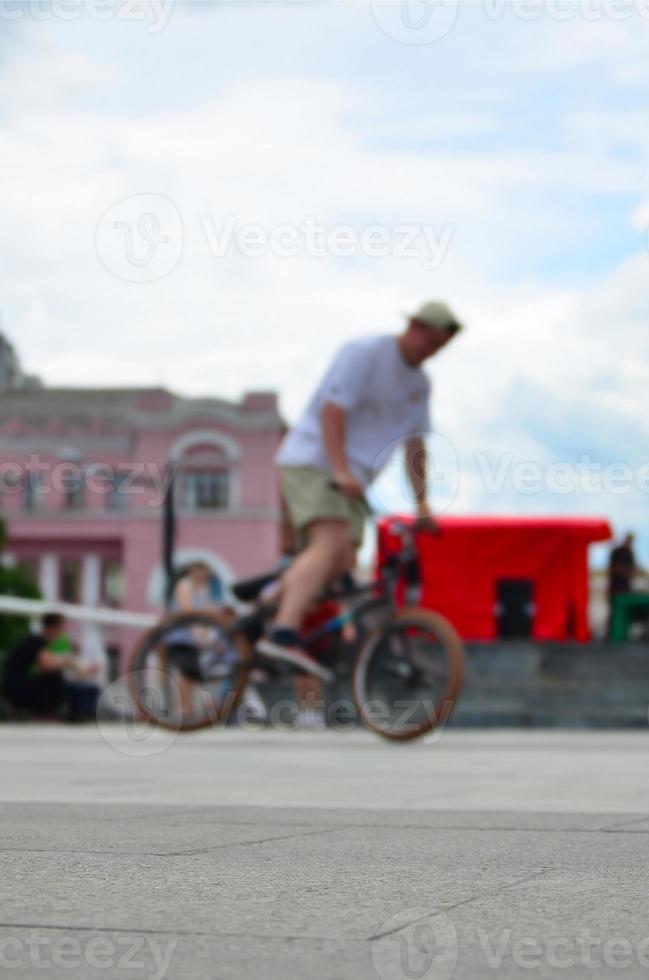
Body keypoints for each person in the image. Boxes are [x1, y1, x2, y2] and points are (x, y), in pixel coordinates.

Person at [258, 299, 463, 676]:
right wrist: (339, 469)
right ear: (413, 326)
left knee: (340, 561)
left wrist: (422, 504)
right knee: (330, 543)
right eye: (428, 340)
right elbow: (332, 411)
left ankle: (264, 607)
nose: (430, 350)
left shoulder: (419, 384)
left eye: (439, 347)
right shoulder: (366, 353)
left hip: (354, 480)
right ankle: (282, 633)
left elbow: (415, 445)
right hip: (315, 462)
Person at [2, 613, 94, 718]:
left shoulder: (35, 640)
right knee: (54, 676)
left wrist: (68, 661)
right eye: (61, 628)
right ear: (54, 628)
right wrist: (69, 660)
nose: (62, 632)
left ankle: (51, 711)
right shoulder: (37, 641)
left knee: (56, 676)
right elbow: (47, 664)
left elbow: (46, 663)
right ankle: (46, 712)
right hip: (15, 688)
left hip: (13, 685)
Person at [607, 533, 639, 638]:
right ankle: (611, 634)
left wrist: (630, 573)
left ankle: (623, 634)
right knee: (614, 611)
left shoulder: (630, 553)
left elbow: (633, 570)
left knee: (625, 612)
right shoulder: (617, 552)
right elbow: (613, 569)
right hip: (616, 587)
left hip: (626, 587)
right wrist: (626, 572)